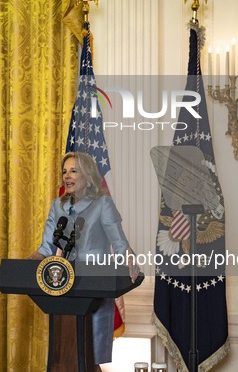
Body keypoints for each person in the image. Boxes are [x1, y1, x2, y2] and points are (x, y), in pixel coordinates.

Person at [29, 152, 139, 367]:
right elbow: (47, 247)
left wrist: (129, 258)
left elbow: (118, 241)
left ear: (87, 176)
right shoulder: (57, 206)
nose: (66, 176)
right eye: (64, 171)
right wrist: (31, 261)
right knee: (67, 355)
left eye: (73, 171)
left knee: (90, 358)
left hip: (95, 285)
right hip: (64, 285)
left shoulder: (102, 204)